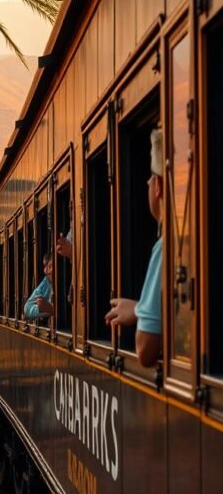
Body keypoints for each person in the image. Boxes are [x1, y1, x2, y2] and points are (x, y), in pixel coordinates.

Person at [104, 129, 164, 368]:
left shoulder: (166, 246)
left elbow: (145, 351)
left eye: (151, 177)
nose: (147, 182)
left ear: (158, 185)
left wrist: (139, 309)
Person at [24, 252, 55, 320]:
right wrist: (40, 308)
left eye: (50, 266)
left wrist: (50, 309)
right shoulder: (46, 282)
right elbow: (27, 308)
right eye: (45, 266)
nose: (46, 271)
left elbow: (51, 309)